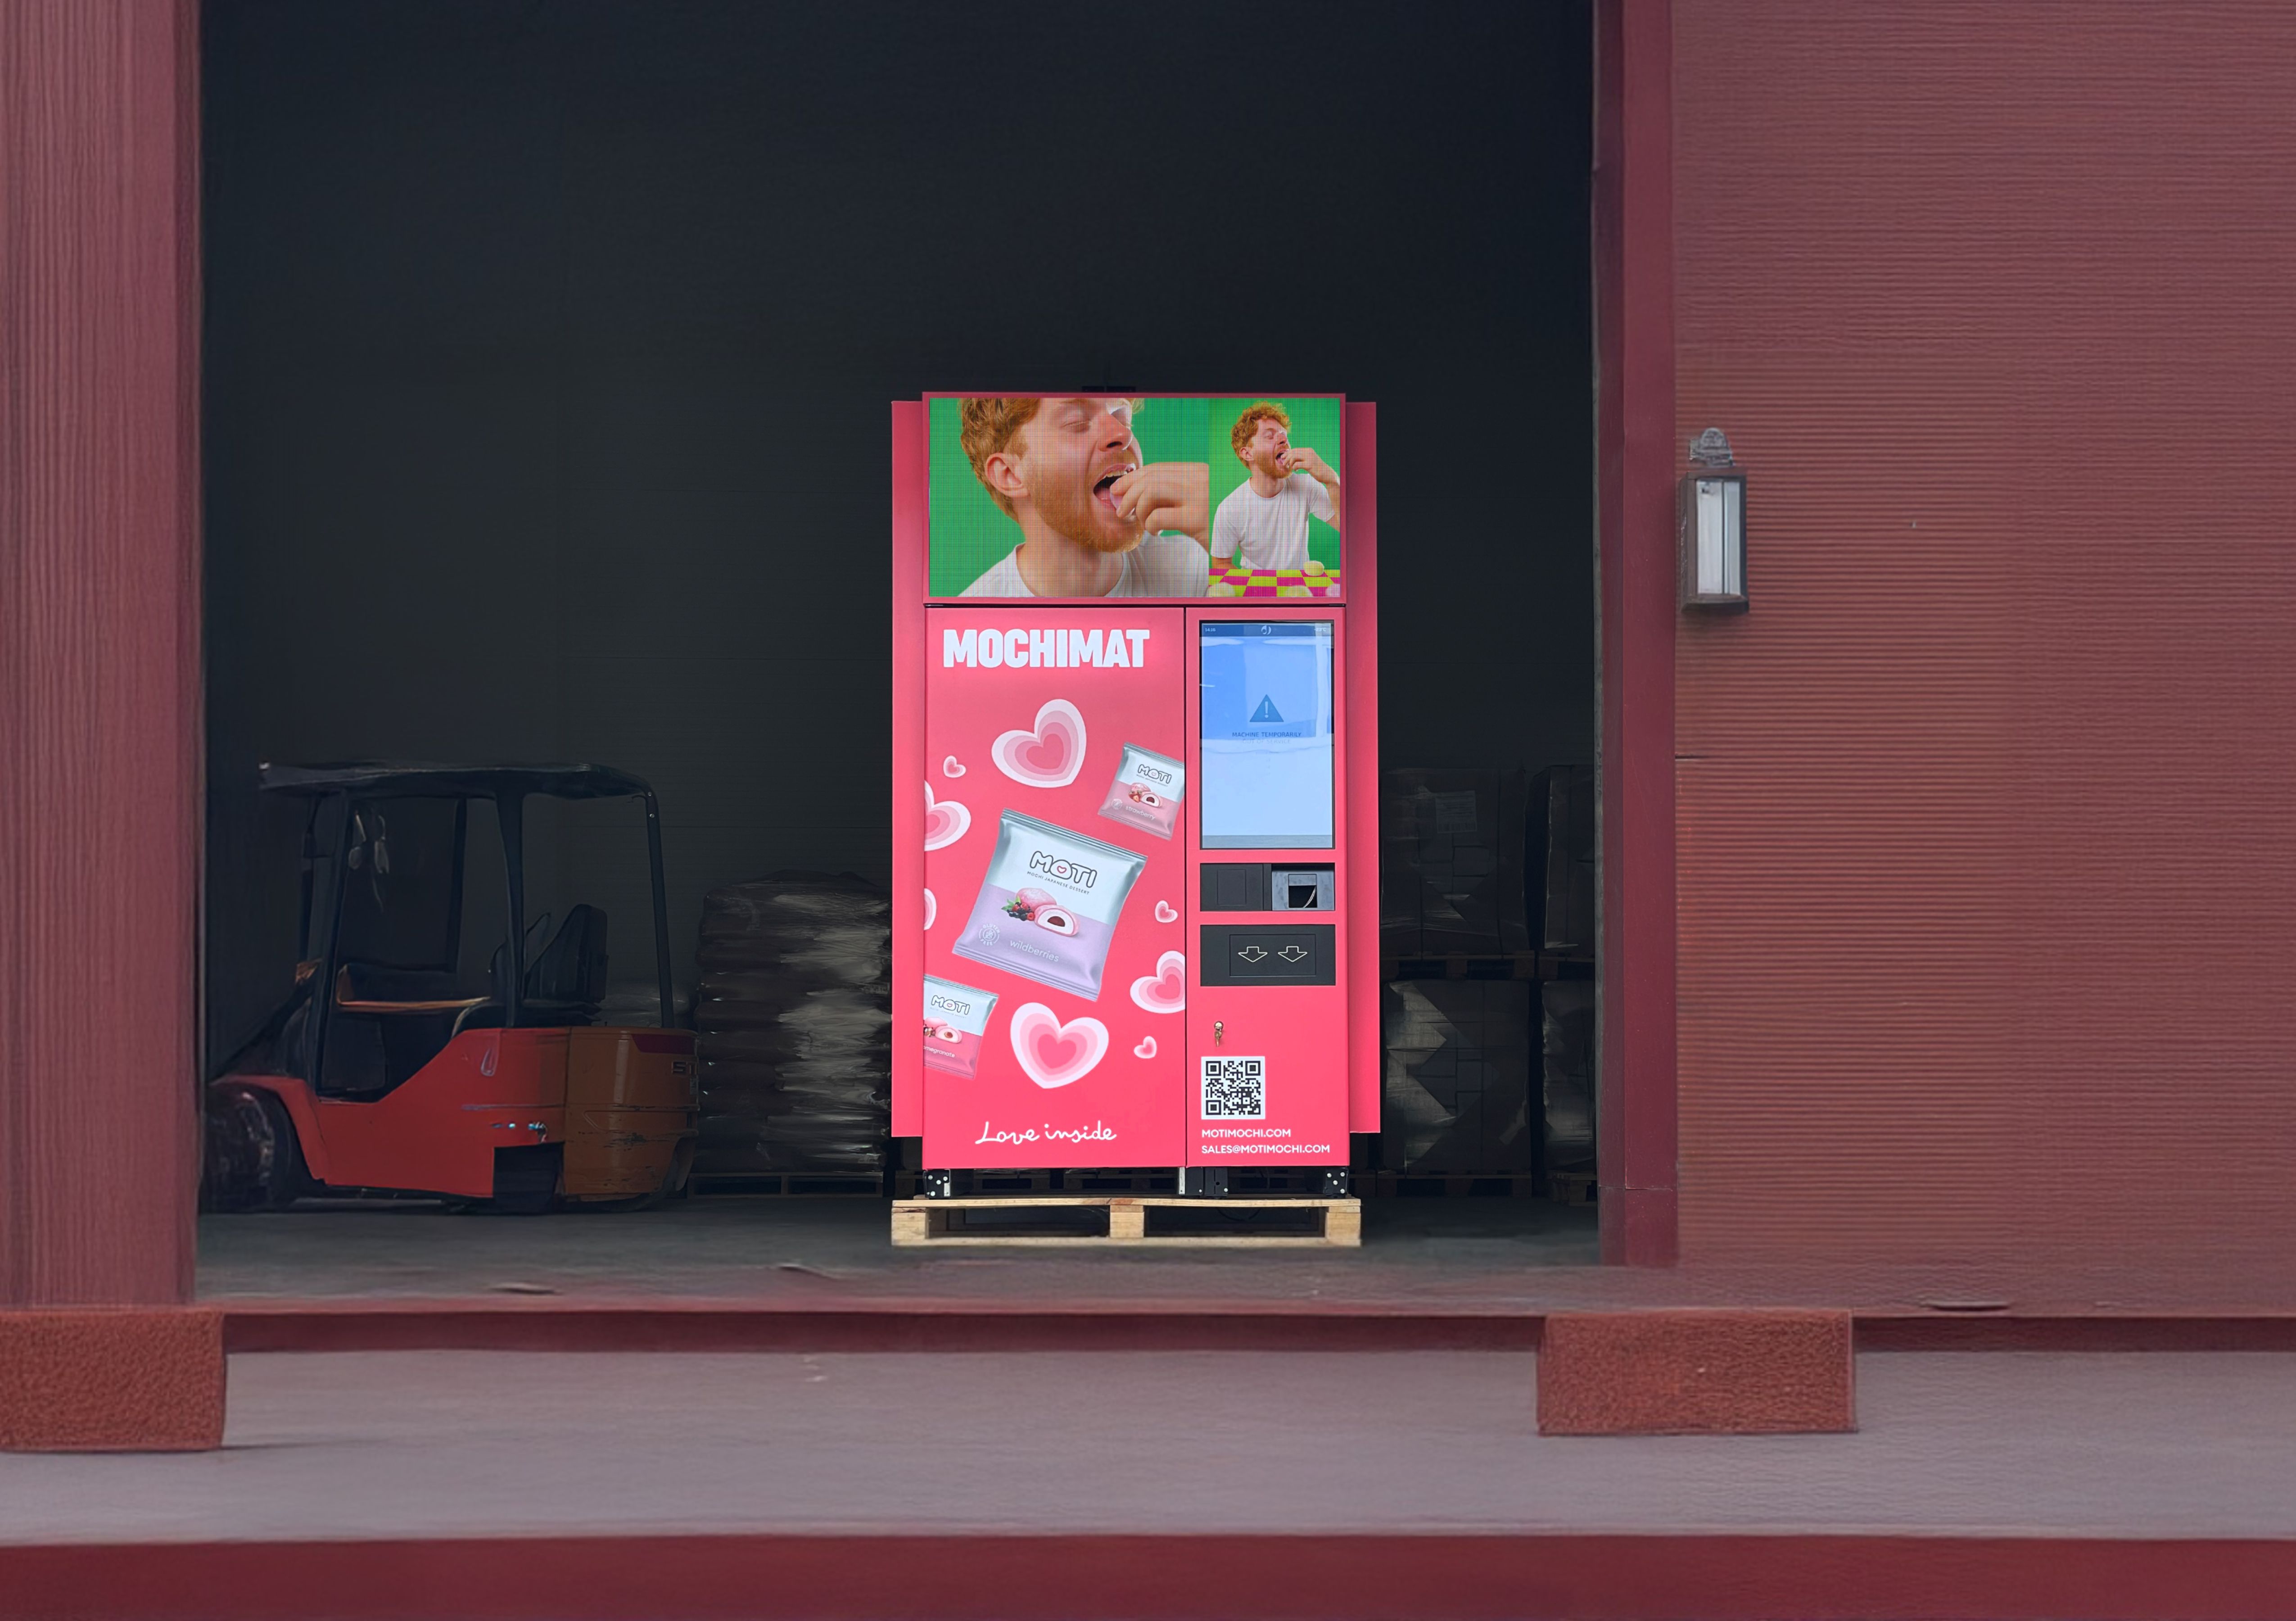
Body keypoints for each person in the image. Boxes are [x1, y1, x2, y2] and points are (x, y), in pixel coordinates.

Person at [957, 396, 1211, 597]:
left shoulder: (1191, 569)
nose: (1123, 434)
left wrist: (1219, 536)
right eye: (1077, 422)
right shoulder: (971, 628)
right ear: (1011, 475)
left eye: (1122, 417)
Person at [1210, 402, 1342, 574]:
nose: (1283, 439)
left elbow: (1350, 530)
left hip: (1298, 589)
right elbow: (1221, 564)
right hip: (1257, 592)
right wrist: (1255, 589)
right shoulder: (1229, 508)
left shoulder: (1306, 486)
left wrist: (1332, 480)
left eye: (1283, 434)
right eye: (1269, 436)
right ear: (1248, 453)